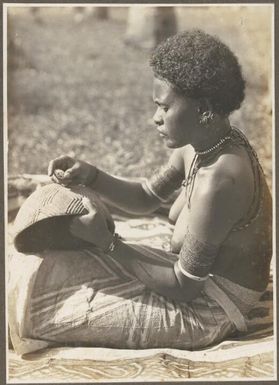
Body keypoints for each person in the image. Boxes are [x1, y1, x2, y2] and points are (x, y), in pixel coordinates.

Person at [44, 29, 272, 349]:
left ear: (204, 109)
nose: (155, 118)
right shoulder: (201, 145)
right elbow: (146, 198)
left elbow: (184, 286)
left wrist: (108, 243)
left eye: (164, 108)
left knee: (51, 313)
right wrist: (92, 176)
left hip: (211, 307)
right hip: (188, 278)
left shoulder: (220, 181)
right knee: (56, 265)